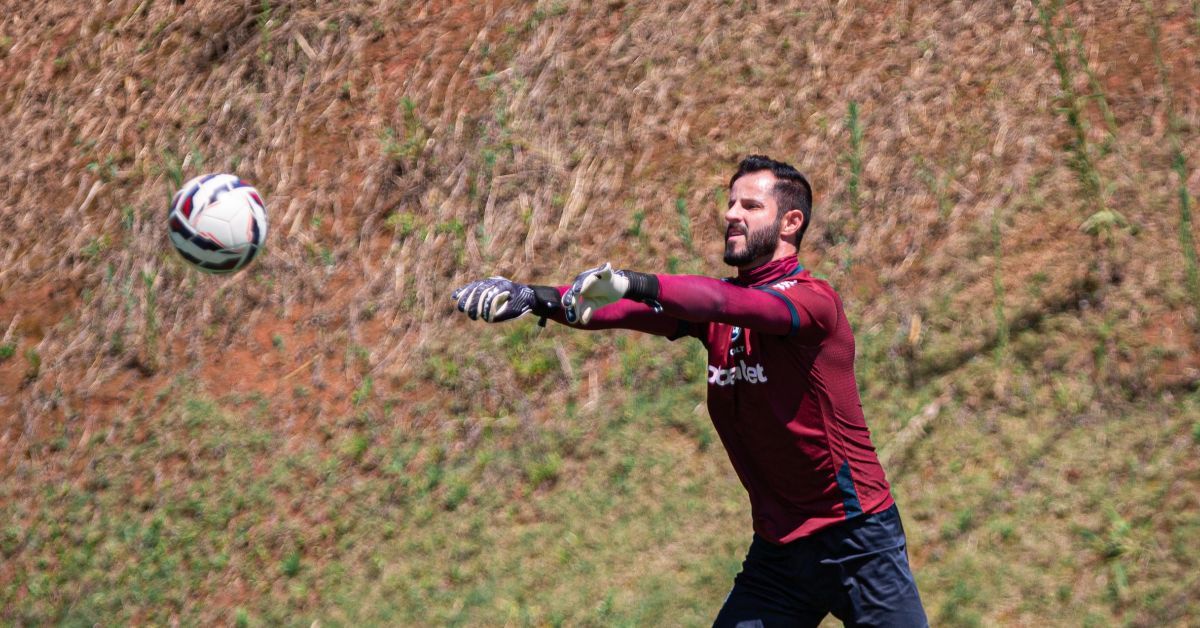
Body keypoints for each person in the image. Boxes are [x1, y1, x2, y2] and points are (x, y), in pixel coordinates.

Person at [450, 155, 928, 627]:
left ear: (791, 222)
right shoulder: (716, 312)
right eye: (729, 204)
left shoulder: (813, 303)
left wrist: (631, 281)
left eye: (750, 206)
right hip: (780, 552)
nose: (730, 215)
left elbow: (725, 300)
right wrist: (533, 296)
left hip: (857, 541)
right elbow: (613, 311)